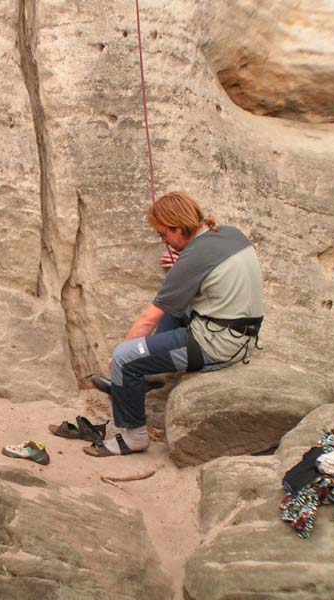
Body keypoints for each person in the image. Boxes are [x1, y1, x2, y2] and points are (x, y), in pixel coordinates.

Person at [84, 191, 264, 457]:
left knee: (125, 357)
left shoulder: (193, 258)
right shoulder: (230, 234)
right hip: (240, 333)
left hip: (218, 345)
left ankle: (134, 437)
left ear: (177, 228)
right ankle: (149, 376)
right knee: (174, 302)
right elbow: (215, 275)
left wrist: (118, 358)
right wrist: (183, 270)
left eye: (163, 235)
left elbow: (148, 320)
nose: (164, 241)